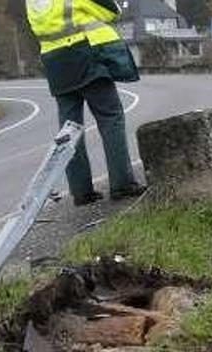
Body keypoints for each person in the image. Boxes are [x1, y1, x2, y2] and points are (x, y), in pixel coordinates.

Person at [27, 0, 144, 205]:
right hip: (84, 54)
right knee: (110, 118)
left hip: (55, 63)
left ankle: (81, 192)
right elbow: (111, 11)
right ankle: (122, 184)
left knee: (69, 129)